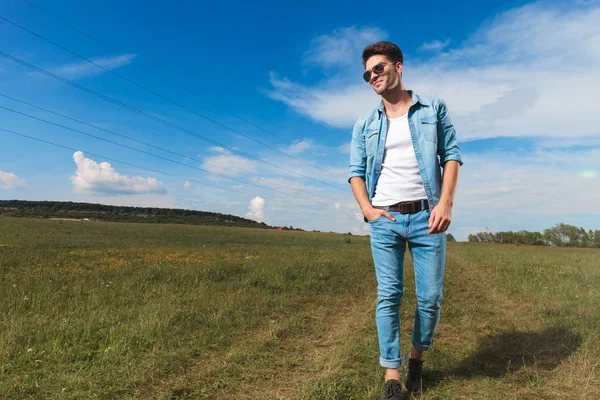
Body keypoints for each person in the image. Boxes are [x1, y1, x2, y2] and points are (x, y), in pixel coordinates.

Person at [348, 41, 463, 398]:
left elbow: (452, 155)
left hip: (427, 216)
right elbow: (355, 172)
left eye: (378, 68)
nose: (373, 77)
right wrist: (368, 209)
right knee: (389, 295)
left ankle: (416, 359)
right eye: (367, 74)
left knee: (429, 298)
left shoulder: (433, 108)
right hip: (385, 219)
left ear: (399, 67)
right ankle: (392, 377)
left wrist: (445, 203)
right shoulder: (365, 123)